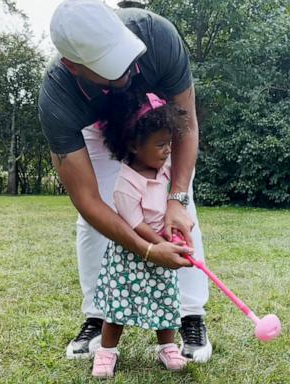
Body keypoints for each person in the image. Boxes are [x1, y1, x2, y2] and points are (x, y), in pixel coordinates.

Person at [38, 0, 212, 362]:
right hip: (97, 129)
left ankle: (190, 314)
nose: (131, 69)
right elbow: (87, 199)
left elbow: (188, 124)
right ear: (74, 66)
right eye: (112, 67)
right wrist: (148, 250)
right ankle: (96, 315)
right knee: (93, 219)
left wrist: (175, 198)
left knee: (181, 204)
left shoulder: (156, 36)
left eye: (127, 55)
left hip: (155, 121)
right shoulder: (58, 97)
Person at [91, 91, 189, 378]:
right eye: (160, 144)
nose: (167, 150)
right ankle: (107, 351)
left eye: (169, 143)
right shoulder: (126, 183)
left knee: (166, 299)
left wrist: (174, 234)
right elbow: (135, 224)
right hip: (130, 253)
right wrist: (161, 243)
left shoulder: (164, 170)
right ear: (134, 145)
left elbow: (171, 203)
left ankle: (167, 346)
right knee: (119, 305)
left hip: (162, 247)